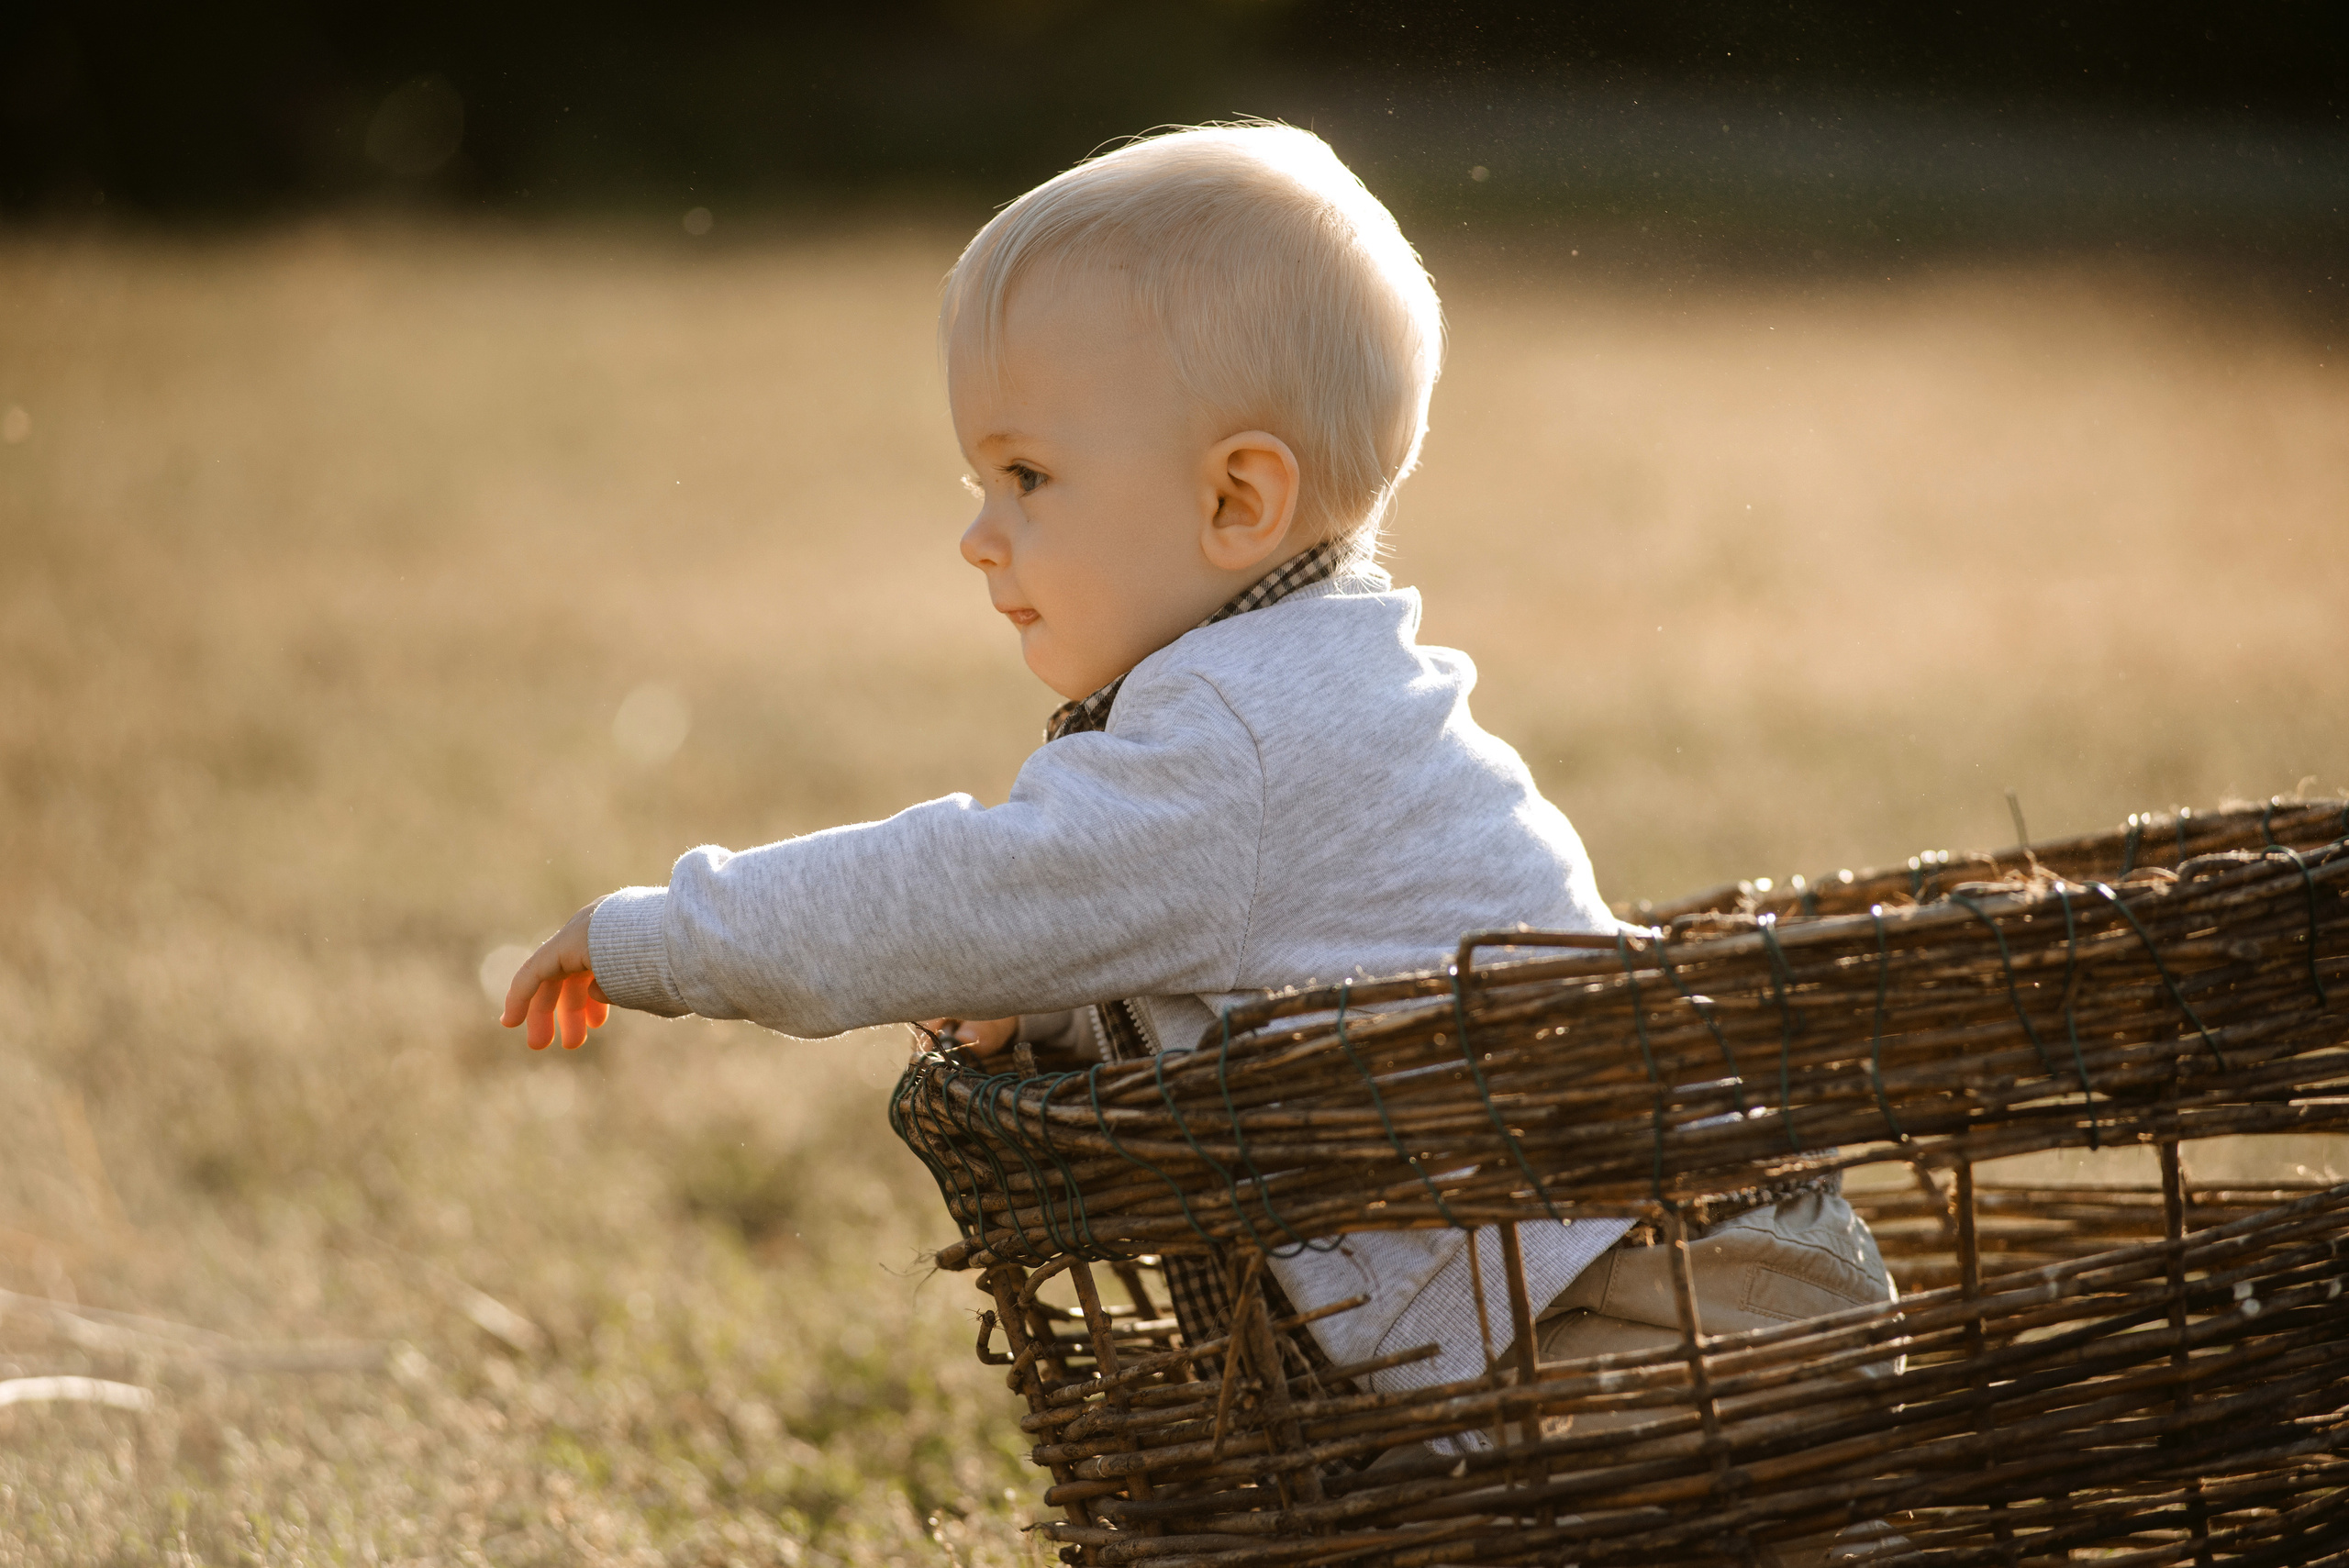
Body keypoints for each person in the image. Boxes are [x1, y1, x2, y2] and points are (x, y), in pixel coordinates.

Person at [500, 125, 1894, 1551]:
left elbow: (957, 891)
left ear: (1239, 500)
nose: (981, 536)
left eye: (1028, 477)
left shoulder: (1235, 728)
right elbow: (1258, 1010)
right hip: (1673, 1265)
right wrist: (1049, 1024)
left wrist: (657, 933)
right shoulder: (1305, 681)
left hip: (1656, 1311)